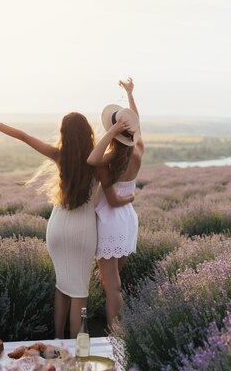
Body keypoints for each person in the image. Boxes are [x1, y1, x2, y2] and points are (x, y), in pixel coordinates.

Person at [0, 108, 97, 339]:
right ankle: (76, 349)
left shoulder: (59, 155)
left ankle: (59, 339)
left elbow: (23, 136)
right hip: (82, 229)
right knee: (80, 292)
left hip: (57, 226)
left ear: (64, 133)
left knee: (62, 284)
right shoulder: (97, 160)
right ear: (87, 133)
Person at [86, 77, 144, 329]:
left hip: (111, 221)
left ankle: (114, 336)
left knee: (112, 286)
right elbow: (139, 127)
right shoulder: (138, 151)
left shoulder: (107, 163)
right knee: (111, 281)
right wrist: (130, 95)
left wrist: (111, 131)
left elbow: (91, 159)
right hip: (128, 219)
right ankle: (115, 327)